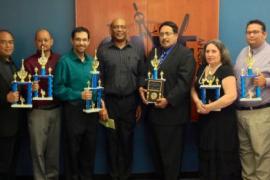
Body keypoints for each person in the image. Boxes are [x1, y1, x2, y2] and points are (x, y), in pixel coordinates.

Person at [139, 21, 195, 180]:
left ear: (176, 35)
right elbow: (144, 74)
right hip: (153, 115)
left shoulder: (185, 54)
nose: (164, 37)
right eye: (162, 34)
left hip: (172, 116)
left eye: (168, 33)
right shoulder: (154, 53)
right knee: (156, 156)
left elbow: (184, 83)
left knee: (171, 158)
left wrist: (168, 100)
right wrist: (141, 87)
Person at [97, 18, 145, 180]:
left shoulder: (136, 51)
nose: (119, 30)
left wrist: (139, 103)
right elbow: (99, 80)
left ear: (127, 30)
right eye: (116, 27)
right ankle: (113, 175)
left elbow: (141, 77)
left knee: (127, 140)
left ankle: (125, 175)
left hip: (130, 103)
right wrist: (101, 105)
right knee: (111, 141)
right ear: (111, 30)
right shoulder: (102, 51)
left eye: (122, 27)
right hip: (109, 103)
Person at [191, 39, 242, 180]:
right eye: (207, 51)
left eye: (214, 51)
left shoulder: (226, 70)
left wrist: (209, 107)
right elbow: (193, 88)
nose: (210, 54)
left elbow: (231, 96)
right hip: (205, 120)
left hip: (223, 121)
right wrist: (197, 102)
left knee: (222, 155)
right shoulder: (202, 68)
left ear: (221, 53)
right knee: (206, 153)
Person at [54, 27, 98, 180]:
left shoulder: (93, 61)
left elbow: (97, 86)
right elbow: (58, 89)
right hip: (73, 113)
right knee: (72, 151)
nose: (81, 42)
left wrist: (101, 103)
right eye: (78, 39)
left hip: (91, 114)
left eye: (84, 39)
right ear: (72, 41)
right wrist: (79, 94)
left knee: (89, 150)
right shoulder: (64, 61)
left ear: (89, 41)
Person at [234, 19, 270, 180]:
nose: (251, 35)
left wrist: (266, 81)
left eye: (255, 32)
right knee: (245, 152)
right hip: (240, 112)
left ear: (264, 34)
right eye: (248, 32)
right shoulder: (243, 52)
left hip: (260, 113)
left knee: (261, 153)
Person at [24, 29, 61, 180]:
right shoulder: (28, 62)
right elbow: (21, 89)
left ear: (51, 41)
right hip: (37, 111)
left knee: (53, 150)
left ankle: (52, 177)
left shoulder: (59, 60)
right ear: (35, 42)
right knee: (37, 150)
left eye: (46, 40)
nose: (43, 43)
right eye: (40, 40)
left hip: (56, 109)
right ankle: (39, 178)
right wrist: (29, 87)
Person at [0, 29, 23, 180]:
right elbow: (7, 95)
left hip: (15, 125)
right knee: (2, 167)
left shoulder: (13, 64)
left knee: (11, 165)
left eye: (10, 42)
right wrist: (4, 98)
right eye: (3, 42)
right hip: (2, 127)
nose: (8, 45)